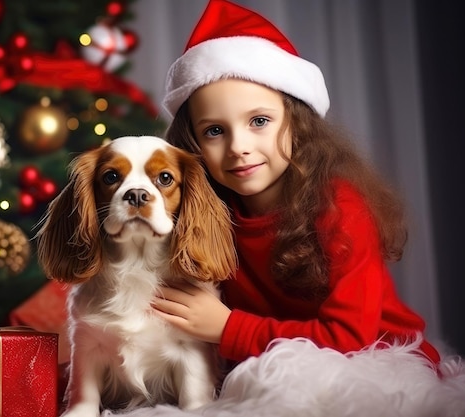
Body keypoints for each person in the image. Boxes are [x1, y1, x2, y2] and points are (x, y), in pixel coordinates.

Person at [151, 0, 441, 368]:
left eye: (259, 121)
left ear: (298, 123)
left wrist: (228, 329)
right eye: (214, 131)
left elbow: (349, 339)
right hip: (274, 369)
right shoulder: (208, 212)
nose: (239, 147)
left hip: (380, 366)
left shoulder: (339, 208)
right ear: (192, 143)